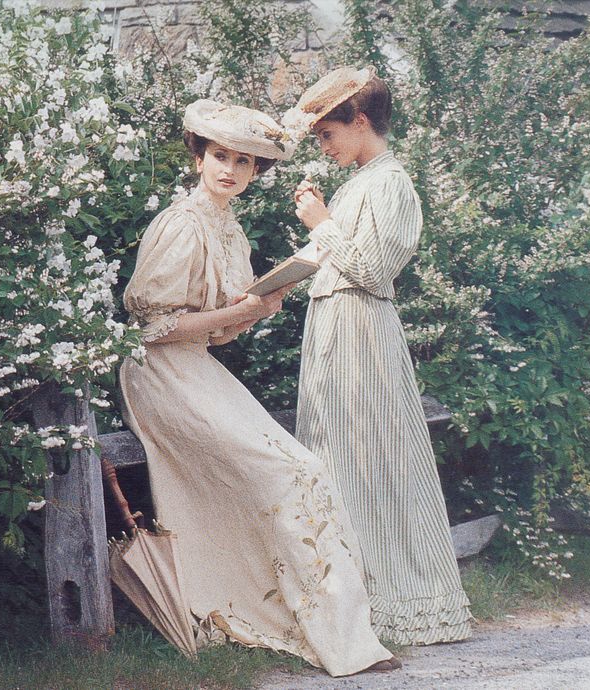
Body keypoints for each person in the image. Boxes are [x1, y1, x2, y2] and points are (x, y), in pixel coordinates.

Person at [119, 99, 400, 676]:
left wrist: (257, 308)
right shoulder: (181, 221)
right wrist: (240, 309)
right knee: (291, 472)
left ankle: (343, 636)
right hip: (158, 374)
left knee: (303, 470)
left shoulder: (229, 228)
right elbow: (150, 331)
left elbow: (217, 335)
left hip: (196, 366)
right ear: (200, 157)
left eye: (245, 163)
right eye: (221, 156)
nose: (230, 170)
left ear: (255, 174)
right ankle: (293, 623)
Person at [287, 67, 473, 646]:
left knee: (375, 461)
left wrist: (323, 223)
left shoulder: (391, 182)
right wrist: (258, 292)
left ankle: (400, 600)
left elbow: (371, 270)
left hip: (363, 334)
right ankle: (345, 599)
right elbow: (329, 257)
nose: (324, 147)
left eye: (327, 134)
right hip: (335, 328)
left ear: (360, 121)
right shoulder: (360, 181)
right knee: (336, 457)